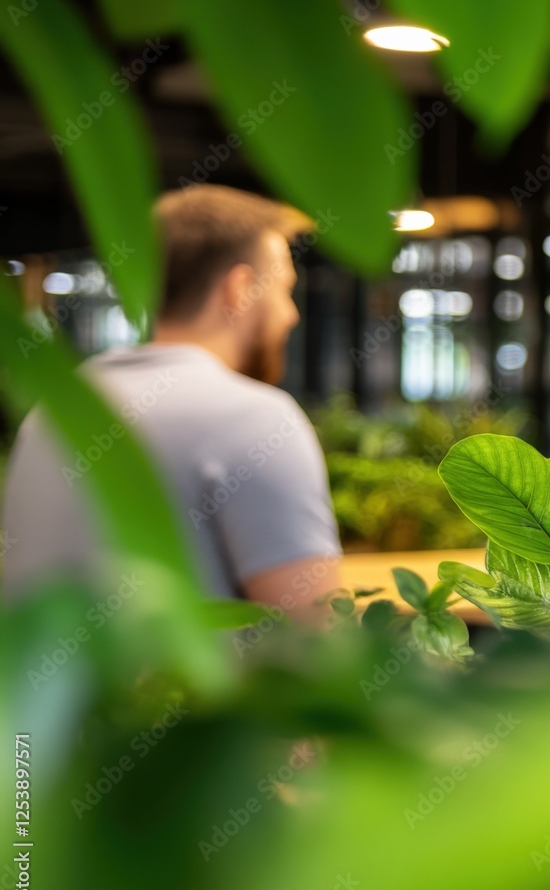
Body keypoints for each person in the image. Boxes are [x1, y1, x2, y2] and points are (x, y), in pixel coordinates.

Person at [2, 185, 342, 627]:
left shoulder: (54, 413)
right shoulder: (254, 418)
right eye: (283, 290)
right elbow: (318, 639)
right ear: (240, 289)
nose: (290, 315)